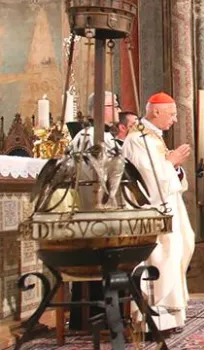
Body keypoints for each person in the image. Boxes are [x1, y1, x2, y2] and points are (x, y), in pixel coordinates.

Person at [122, 92, 195, 333]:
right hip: (151, 208)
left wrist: (175, 168)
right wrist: (171, 162)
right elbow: (147, 178)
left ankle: (172, 316)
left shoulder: (153, 137)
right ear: (156, 112)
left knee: (182, 246)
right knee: (161, 256)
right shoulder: (138, 138)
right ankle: (154, 319)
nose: (174, 119)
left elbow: (163, 172)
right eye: (172, 114)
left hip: (169, 202)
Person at [66, 91, 121, 331]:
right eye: (114, 105)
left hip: (84, 213)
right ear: (101, 109)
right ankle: (104, 317)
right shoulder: (98, 138)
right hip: (99, 214)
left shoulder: (80, 136)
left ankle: (81, 318)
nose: (118, 110)